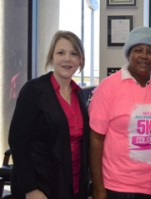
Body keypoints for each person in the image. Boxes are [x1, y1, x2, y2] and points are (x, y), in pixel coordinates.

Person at [8, 30, 90, 199]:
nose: (67, 58)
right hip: (41, 188)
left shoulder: (79, 94)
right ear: (52, 57)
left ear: (80, 60)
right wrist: (31, 189)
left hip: (73, 187)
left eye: (73, 53)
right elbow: (18, 142)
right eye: (61, 53)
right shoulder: (34, 91)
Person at [88, 26, 151, 199]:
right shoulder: (108, 87)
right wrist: (98, 188)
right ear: (129, 53)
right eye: (138, 50)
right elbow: (95, 139)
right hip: (116, 186)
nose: (144, 56)